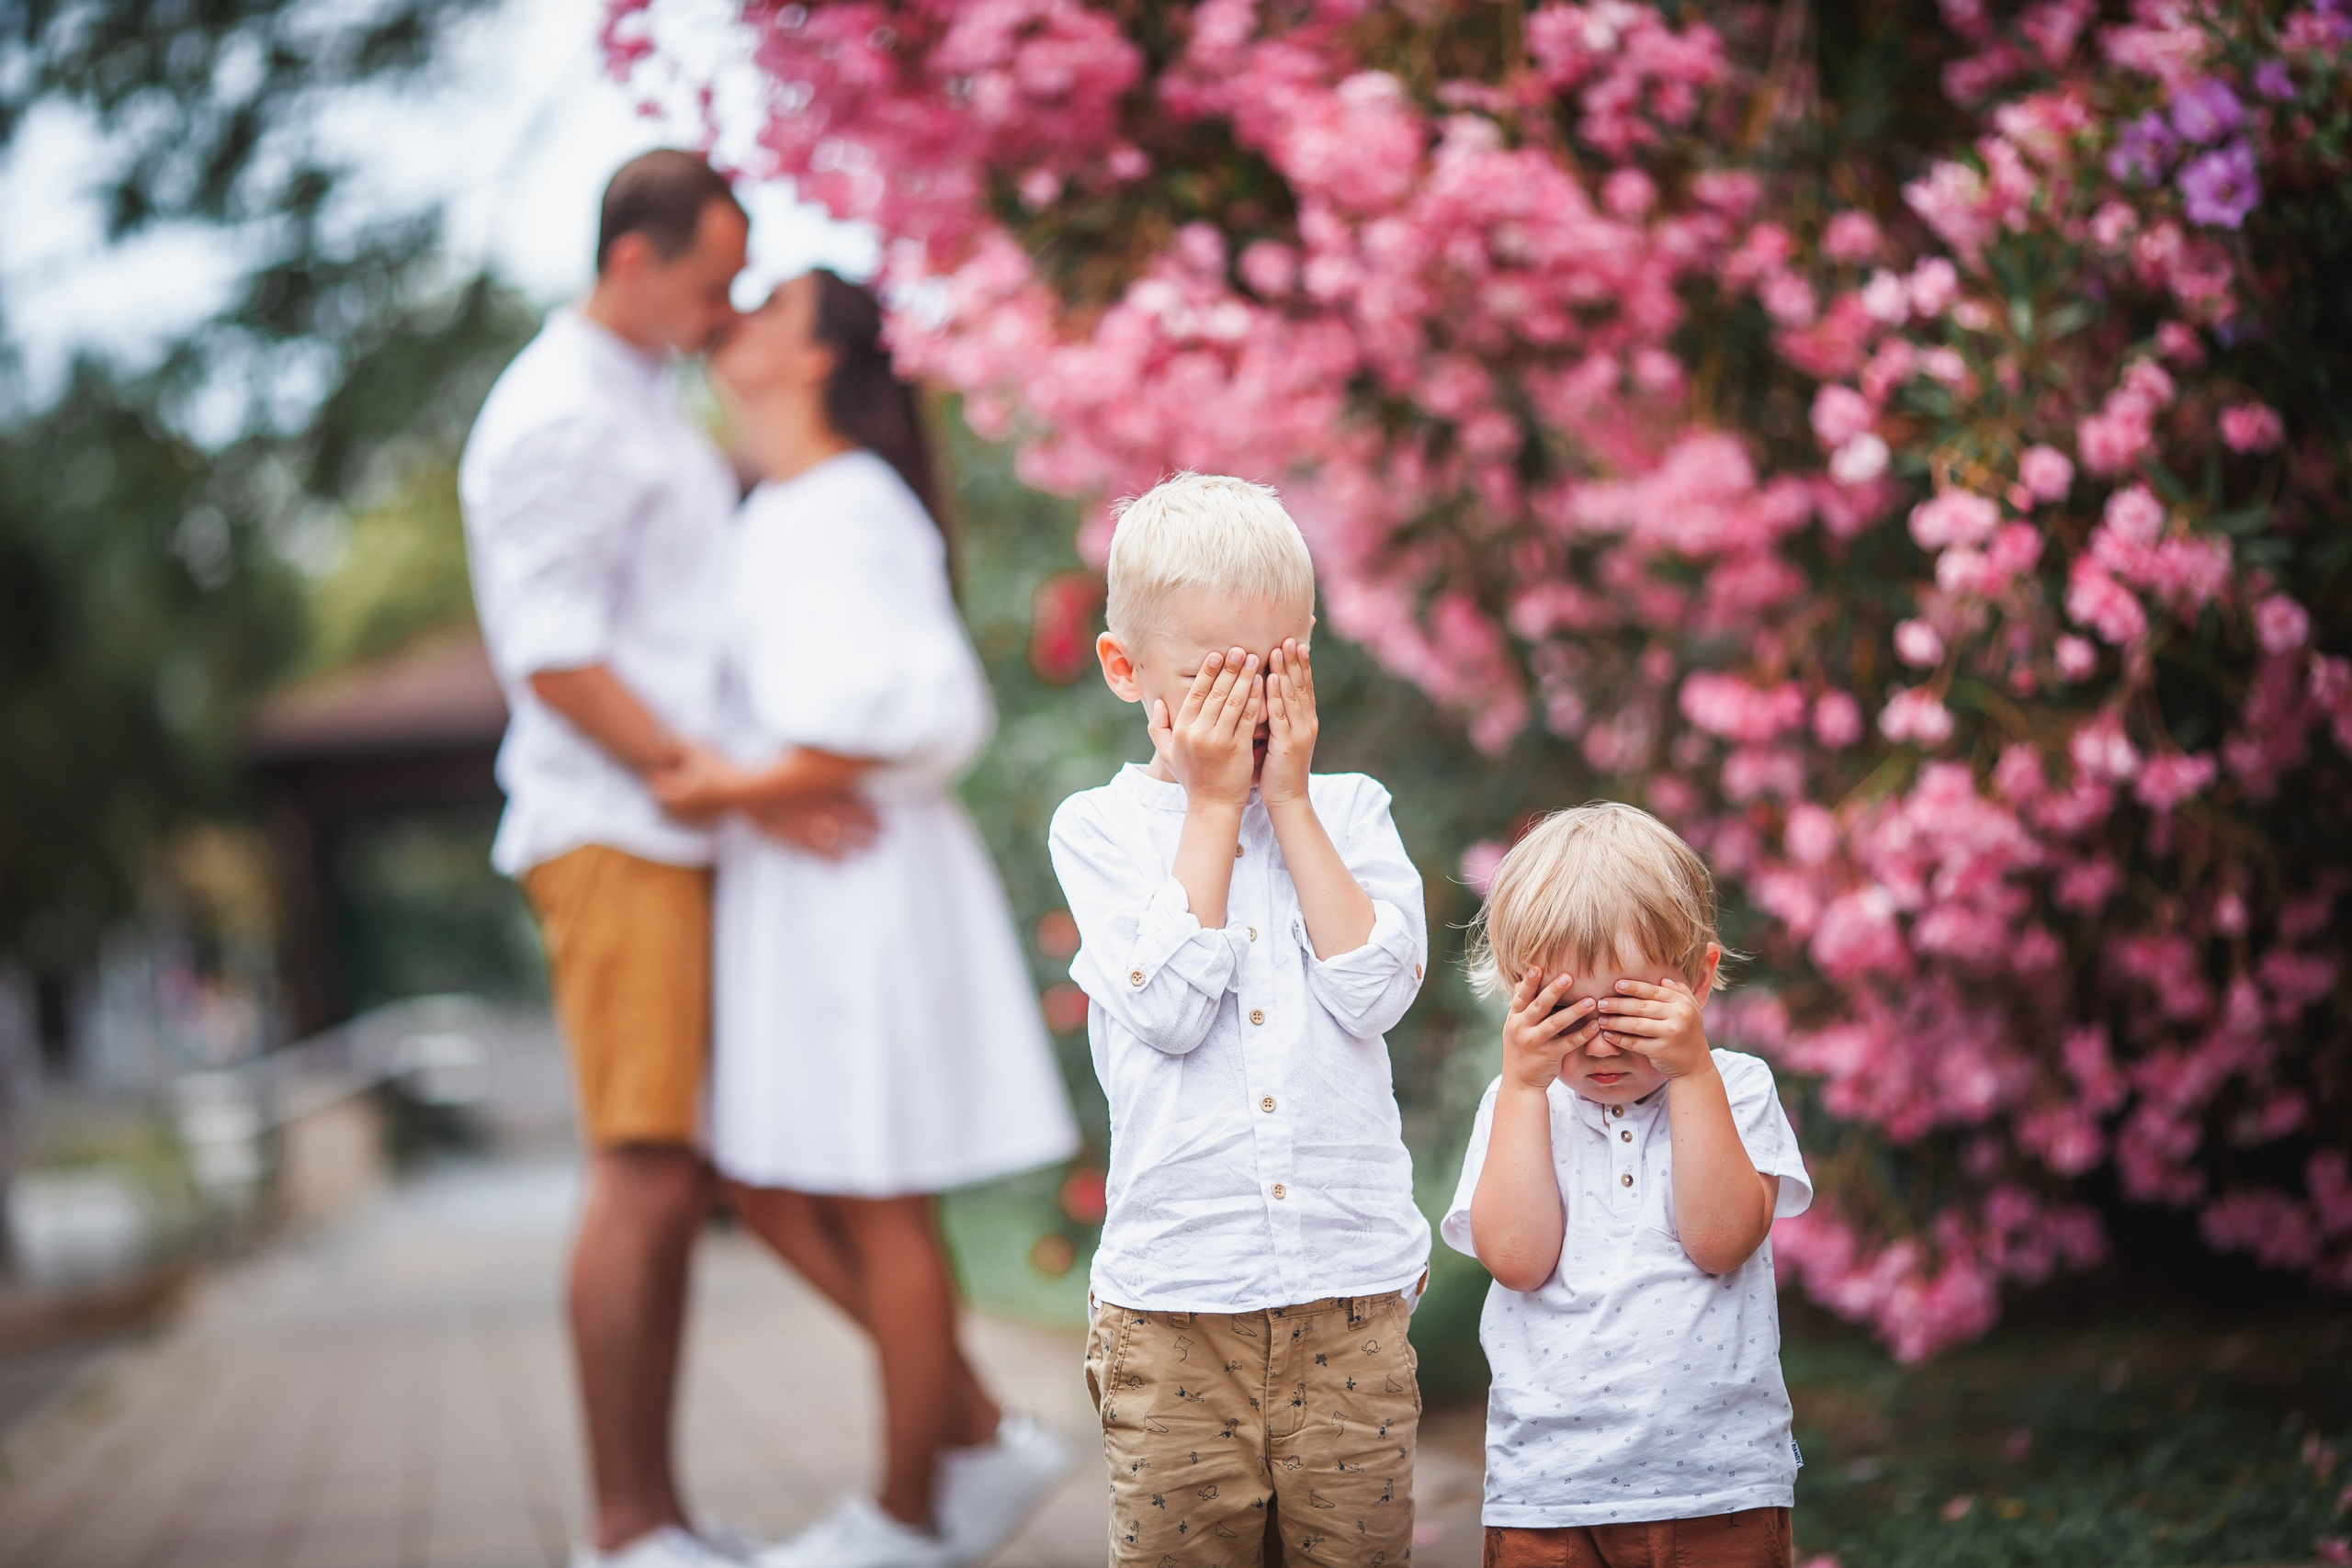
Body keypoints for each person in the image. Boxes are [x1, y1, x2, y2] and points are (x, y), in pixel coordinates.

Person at [460, 151, 874, 1568]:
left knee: (673, 1161)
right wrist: (719, 785)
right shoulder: (561, 414)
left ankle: (664, 1514)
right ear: (634, 260)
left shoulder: (629, 393)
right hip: (621, 828)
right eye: (711, 280)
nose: (726, 307)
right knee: (643, 1163)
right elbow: (554, 654)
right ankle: (627, 1525)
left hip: (670, 821)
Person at [654, 269, 1081, 1568]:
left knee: (879, 1191)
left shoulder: (849, 503)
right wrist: (758, 787)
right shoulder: (773, 508)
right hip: (801, 880)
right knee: (767, 1173)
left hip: (864, 881)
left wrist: (742, 783)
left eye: (771, 304)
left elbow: (929, 710)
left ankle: (909, 1509)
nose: (737, 315)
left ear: (822, 356)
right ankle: (977, 1436)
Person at [1045, 472, 1432, 1568]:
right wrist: (1216, 807)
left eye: (1273, 670)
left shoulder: (1350, 812)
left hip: (1347, 1295)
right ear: (1127, 670)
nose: (1249, 709)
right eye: (1212, 677)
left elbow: (1375, 990)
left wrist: (1290, 805)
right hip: (1175, 1308)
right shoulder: (1103, 831)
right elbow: (1167, 1010)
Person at [1442, 804, 1815, 1568]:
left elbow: (1720, 1241)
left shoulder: (1735, 1088)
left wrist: (1691, 1070)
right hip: (1546, 1491)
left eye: (1632, 1010)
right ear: (1518, 994)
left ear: (1700, 980)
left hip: (1720, 1487)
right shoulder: (1517, 1106)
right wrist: (1519, 1090)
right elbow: (1517, 1258)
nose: (1603, 1041)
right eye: (1568, 1014)